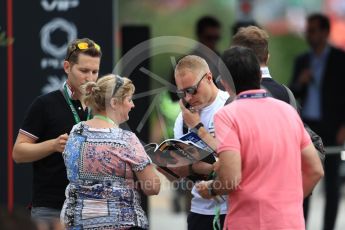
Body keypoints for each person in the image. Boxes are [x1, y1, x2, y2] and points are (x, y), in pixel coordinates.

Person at [197, 46, 324, 230]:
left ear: (225, 82)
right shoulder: (288, 111)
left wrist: (210, 189)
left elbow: (231, 178)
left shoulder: (227, 115)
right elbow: (315, 170)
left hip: (249, 222)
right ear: (259, 76)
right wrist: (289, 202)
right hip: (290, 222)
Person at [12, 38, 102, 223]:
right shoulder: (45, 104)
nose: (90, 78)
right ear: (67, 67)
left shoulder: (102, 107)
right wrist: (53, 145)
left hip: (92, 208)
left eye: (95, 71)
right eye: (84, 71)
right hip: (51, 209)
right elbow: (18, 153)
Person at [60, 74, 160, 229]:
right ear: (114, 103)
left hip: (76, 224)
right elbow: (153, 187)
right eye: (129, 99)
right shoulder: (126, 139)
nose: (132, 105)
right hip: (120, 224)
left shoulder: (76, 131)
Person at [290, 13, 345, 230]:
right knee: (305, 180)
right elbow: (290, 95)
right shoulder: (302, 60)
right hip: (307, 128)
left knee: (332, 185)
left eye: (313, 30)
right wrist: (299, 81)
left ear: (325, 32)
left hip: (333, 128)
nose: (309, 35)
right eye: (307, 30)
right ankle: (300, 225)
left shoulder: (340, 59)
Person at [172, 55, 229, 230]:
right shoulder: (182, 119)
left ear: (209, 77)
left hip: (233, 209)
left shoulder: (230, 105)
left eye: (192, 90)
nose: (188, 98)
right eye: (182, 93)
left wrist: (197, 128)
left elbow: (236, 163)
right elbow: (177, 171)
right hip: (199, 211)